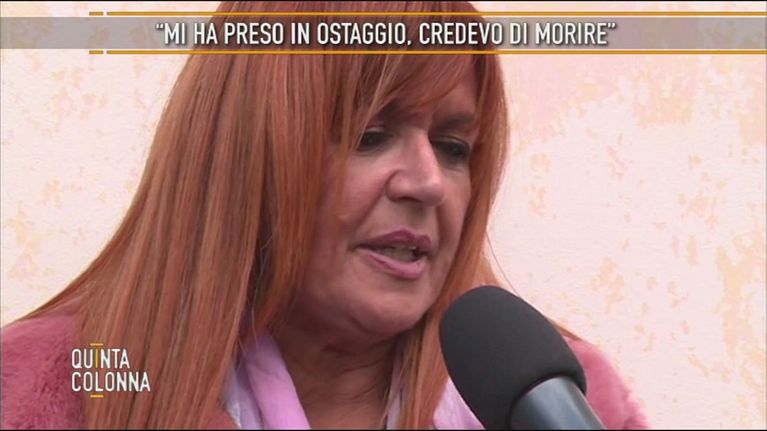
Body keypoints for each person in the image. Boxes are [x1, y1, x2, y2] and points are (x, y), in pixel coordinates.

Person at [1, 1, 648, 429]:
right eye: (371, 134)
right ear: (248, 154)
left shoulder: (566, 402)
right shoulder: (46, 392)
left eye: (454, 147)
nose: (427, 182)